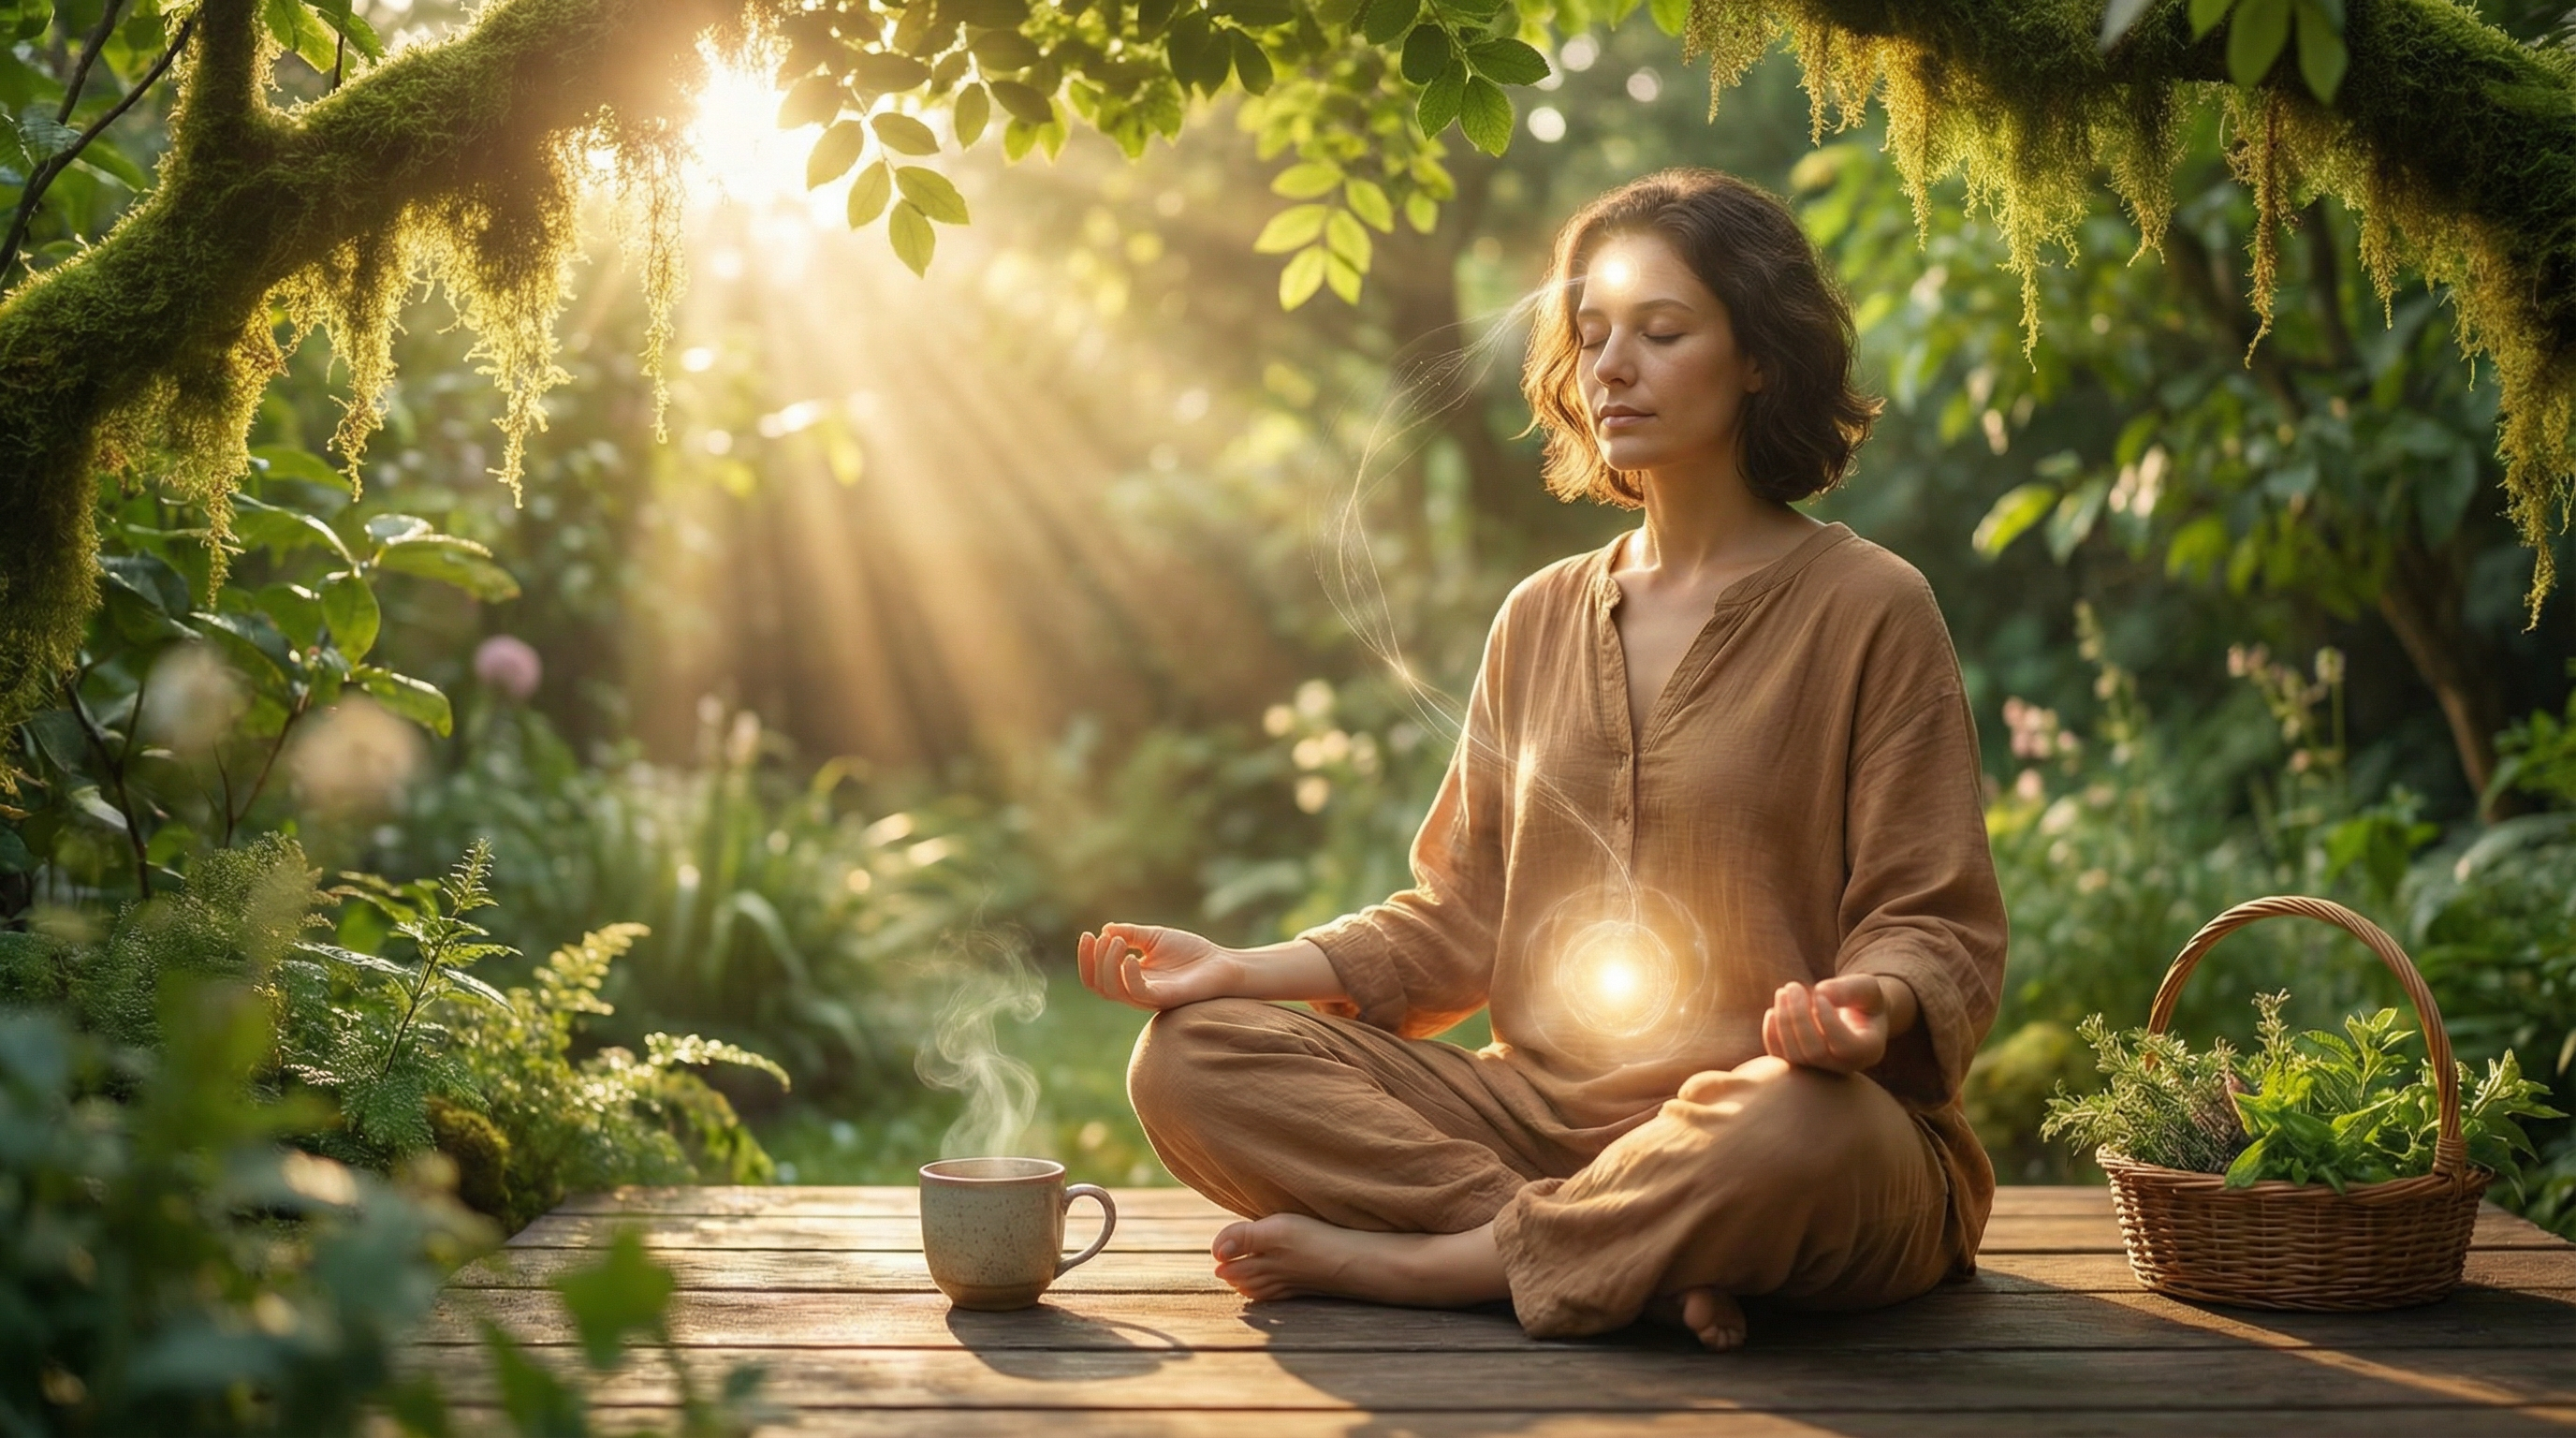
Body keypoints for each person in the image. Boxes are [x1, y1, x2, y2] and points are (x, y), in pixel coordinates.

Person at [1076, 168, 2006, 1352]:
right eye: (1591, 335)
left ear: (1760, 357)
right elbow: (1458, 916)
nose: (1609, 367)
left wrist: (1862, 1015)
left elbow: (1932, 918)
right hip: (1537, 1118)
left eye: (1661, 332)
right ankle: (1622, 1257)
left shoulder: (1872, 607)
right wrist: (1239, 969)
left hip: (1782, 1130)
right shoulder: (1536, 616)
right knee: (1188, 1061)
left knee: (1802, 1129)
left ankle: (1437, 1268)